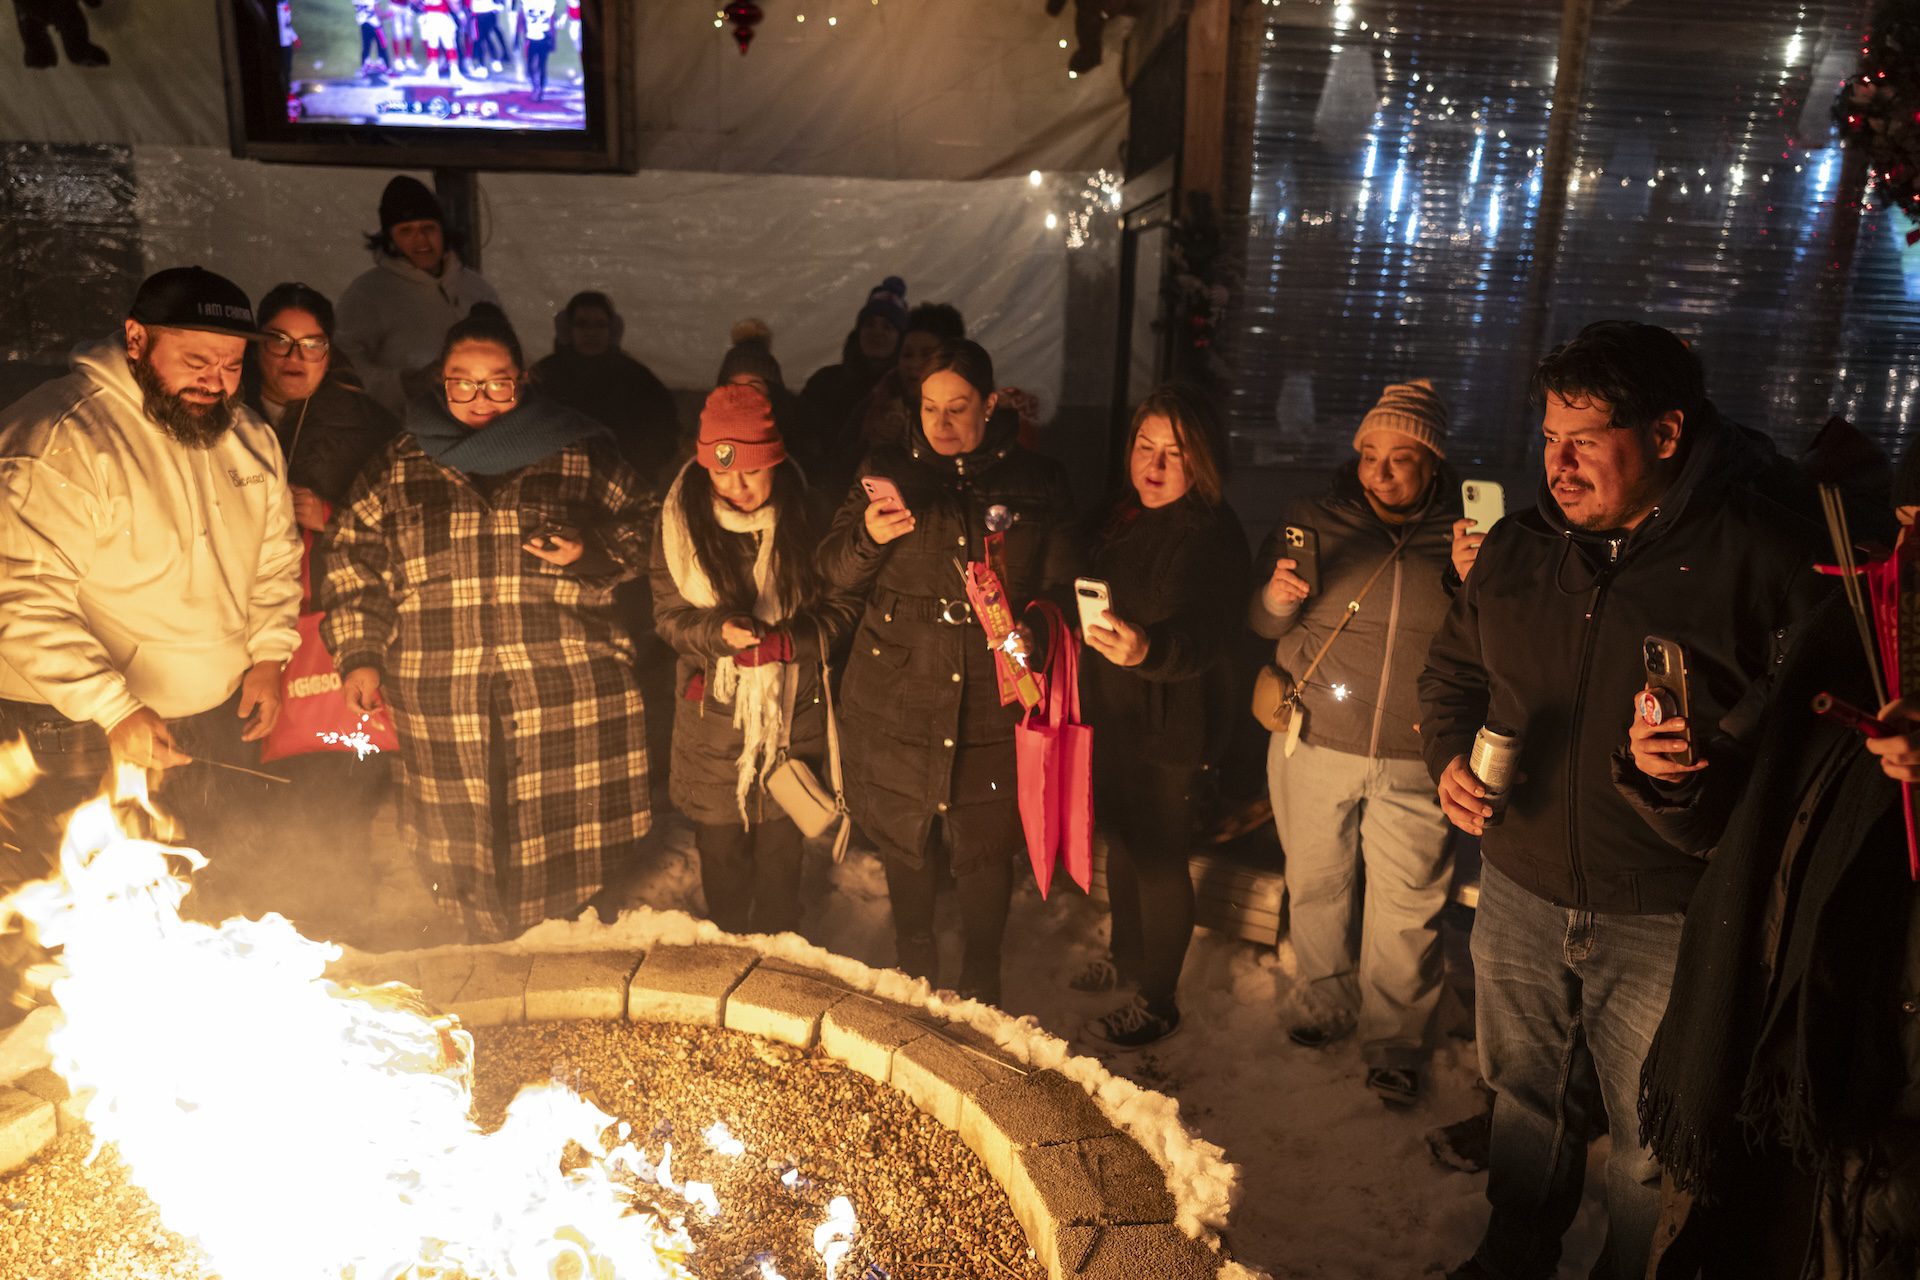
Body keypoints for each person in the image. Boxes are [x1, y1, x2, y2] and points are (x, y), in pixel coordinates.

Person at [1419, 321, 1828, 1280]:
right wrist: (1447, 755)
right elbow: (1451, 676)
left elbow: (1807, 761)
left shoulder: (1763, 563)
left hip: (1665, 913)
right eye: (1549, 436)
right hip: (1519, 890)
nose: (1557, 465)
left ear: (1669, 433)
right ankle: (1512, 1255)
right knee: (1525, 1103)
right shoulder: (1521, 550)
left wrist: (1700, 774)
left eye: (1586, 440)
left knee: (1652, 1146)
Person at [1631, 463, 1920, 1280]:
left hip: (1866, 1104)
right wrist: (1672, 775)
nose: (1913, 546)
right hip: (1750, 1051)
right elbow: (1724, 808)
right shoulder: (1841, 639)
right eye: (1906, 517)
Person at [319, 306, 653, 941]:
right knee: (466, 827)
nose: (480, 398)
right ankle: (479, 945)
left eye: (497, 382)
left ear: (522, 380)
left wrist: (590, 551)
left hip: (565, 688)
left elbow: (654, 526)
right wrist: (359, 651)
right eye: (461, 382)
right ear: (439, 383)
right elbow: (349, 556)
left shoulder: (578, 451)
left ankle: (562, 943)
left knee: (564, 820)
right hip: (443, 691)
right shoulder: (401, 463)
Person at [0, 266, 301, 862]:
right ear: (136, 340)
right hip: (75, 728)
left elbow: (274, 558)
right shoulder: (59, 440)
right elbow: (22, 596)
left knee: (200, 896)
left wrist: (269, 653)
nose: (216, 381)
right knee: (83, 922)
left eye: (233, 364)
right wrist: (112, 708)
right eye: (197, 361)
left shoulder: (248, 437)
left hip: (210, 716)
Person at [819, 338, 1077, 1004]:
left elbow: (1063, 586)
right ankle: (915, 961)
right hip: (898, 691)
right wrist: (868, 538)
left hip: (994, 693)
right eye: (929, 407)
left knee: (986, 839)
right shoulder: (887, 470)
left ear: (991, 404)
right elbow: (833, 571)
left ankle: (983, 975)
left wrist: (1034, 640)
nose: (941, 424)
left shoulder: (1041, 482)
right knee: (908, 836)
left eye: (958, 407)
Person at [1250, 379, 1460, 1105]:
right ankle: (1322, 999)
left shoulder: (1464, 537)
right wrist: (1276, 599)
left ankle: (1396, 1040)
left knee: (1409, 902)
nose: (1382, 470)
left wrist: (1480, 579)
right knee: (1318, 881)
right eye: (1371, 453)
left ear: (1434, 463)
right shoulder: (1313, 520)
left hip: (1415, 753)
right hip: (1316, 740)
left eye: (1403, 456)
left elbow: (1497, 642)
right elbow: (1263, 624)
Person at [1076, 387, 1249, 1049]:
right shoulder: (1120, 515)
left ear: (1202, 460)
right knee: (1122, 837)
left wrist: (1150, 649)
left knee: (1158, 857)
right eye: (1145, 448)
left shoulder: (1213, 535)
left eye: (1173, 454)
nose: (1153, 467)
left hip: (1176, 723)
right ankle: (1125, 954)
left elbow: (1209, 634)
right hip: (1116, 713)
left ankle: (1158, 999)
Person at [651, 386, 859, 935]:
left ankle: (777, 973)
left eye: (749, 471)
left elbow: (842, 606)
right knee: (720, 857)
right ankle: (727, 968)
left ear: (777, 460)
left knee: (780, 858)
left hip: (793, 717)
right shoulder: (679, 525)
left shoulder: (810, 514)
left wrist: (793, 643)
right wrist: (717, 630)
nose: (734, 487)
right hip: (713, 724)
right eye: (720, 473)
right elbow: (668, 616)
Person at [335, 175, 500, 414]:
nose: (420, 239)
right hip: (402, 424)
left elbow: (506, 346)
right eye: (406, 231)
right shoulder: (369, 293)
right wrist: (403, 383)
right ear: (390, 239)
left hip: (480, 414)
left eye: (428, 228)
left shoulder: (475, 288)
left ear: (443, 231)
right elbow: (344, 367)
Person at [243, 281, 399, 525]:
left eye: (312, 345)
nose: (295, 357)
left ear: (329, 355)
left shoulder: (371, 429)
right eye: (280, 341)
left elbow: (402, 523)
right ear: (256, 347)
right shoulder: (223, 415)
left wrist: (333, 518)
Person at [530, 291, 678, 488]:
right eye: (582, 324)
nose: (591, 333)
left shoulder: (637, 378)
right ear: (568, 329)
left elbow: (665, 432)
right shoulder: (544, 375)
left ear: (612, 330)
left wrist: (631, 469)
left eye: (600, 325)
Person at [801, 277, 907, 492]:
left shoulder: (907, 392)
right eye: (870, 324)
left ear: (900, 338)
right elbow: (801, 438)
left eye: (888, 327)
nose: (877, 332)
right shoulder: (824, 383)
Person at [849, 301, 965, 458]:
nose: (914, 365)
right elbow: (840, 466)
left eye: (927, 355)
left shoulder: (972, 411)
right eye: (907, 355)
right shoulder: (878, 403)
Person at [716, 320, 806, 472]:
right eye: (734, 386)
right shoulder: (708, 437)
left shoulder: (796, 437)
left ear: (772, 391)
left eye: (753, 386)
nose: (742, 394)